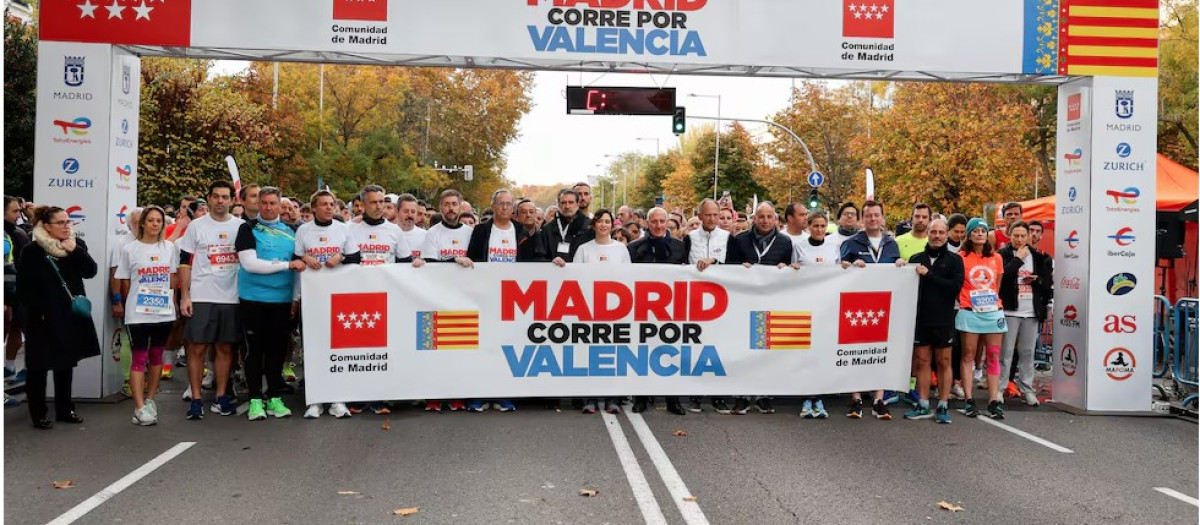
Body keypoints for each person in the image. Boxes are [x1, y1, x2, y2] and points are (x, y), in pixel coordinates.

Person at [16, 206, 100, 428]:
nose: (66, 226)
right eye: (61, 223)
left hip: (68, 315)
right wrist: (38, 311)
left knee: (65, 364)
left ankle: (65, 409)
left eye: (68, 222)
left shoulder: (75, 245)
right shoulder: (32, 251)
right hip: (41, 317)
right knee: (38, 367)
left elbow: (90, 271)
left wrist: (75, 251)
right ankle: (38, 413)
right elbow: (24, 287)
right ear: (46, 226)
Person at [234, 187, 307, 422]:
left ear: (280, 205)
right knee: (255, 350)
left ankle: (274, 396)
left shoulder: (291, 232)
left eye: (272, 203)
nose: (267, 207)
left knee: (276, 350)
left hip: (282, 301)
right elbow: (250, 264)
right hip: (253, 299)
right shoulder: (247, 229)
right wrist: (286, 266)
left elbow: (299, 270)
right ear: (257, 204)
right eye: (263, 203)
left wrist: (295, 298)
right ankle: (256, 400)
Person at [553, 209, 631, 414]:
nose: (604, 225)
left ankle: (612, 398)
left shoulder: (621, 250)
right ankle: (590, 398)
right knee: (588, 352)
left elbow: (630, 278)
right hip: (587, 309)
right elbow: (574, 278)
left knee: (613, 353)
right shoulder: (584, 249)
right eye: (600, 221)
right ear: (594, 224)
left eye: (607, 221)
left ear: (612, 225)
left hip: (615, 310)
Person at [178, 181, 245, 420]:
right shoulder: (196, 227)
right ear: (209, 199)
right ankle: (196, 399)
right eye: (215, 196)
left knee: (225, 348)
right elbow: (184, 261)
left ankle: (221, 396)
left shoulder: (241, 226)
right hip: (201, 295)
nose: (220, 201)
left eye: (224, 197)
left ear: (231, 200)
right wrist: (185, 295)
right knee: (196, 348)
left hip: (231, 296)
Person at [295, 190, 361, 419]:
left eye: (331, 204)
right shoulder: (303, 230)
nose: (328, 208)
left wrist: (340, 257)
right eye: (323, 204)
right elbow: (296, 256)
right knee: (313, 348)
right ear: (313, 208)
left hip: (339, 297)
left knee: (338, 347)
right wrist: (305, 258)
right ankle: (315, 400)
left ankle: (338, 398)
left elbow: (356, 257)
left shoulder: (344, 229)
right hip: (312, 298)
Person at [462, 189, 528, 412]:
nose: (505, 208)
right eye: (501, 204)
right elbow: (472, 257)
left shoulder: (521, 231)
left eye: (509, 204)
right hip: (485, 296)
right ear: (492, 206)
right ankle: (480, 394)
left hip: (514, 298)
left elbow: (533, 260)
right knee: (484, 345)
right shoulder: (481, 230)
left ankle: (504, 394)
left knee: (508, 347)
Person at [839, 200, 904, 420]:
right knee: (855, 350)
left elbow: (898, 268)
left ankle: (878, 398)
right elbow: (840, 268)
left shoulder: (891, 244)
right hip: (856, 304)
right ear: (862, 219)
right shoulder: (852, 242)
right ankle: (855, 397)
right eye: (868, 216)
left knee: (880, 351)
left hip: (883, 305)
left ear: (882, 218)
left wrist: (901, 266)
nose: (873, 219)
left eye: (877, 215)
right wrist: (849, 266)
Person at [727, 202, 794, 415]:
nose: (765, 220)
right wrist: (739, 268)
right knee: (743, 348)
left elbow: (791, 268)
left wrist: (786, 269)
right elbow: (728, 268)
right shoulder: (739, 239)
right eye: (761, 216)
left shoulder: (785, 242)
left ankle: (764, 395)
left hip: (770, 304)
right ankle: (742, 396)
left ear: (775, 220)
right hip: (743, 303)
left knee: (766, 350)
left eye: (769, 217)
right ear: (754, 219)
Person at [115, 206, 178, 426]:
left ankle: (150, 399)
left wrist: (171, 302)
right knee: (139, 358)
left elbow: (172, 278)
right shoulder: (129, 249)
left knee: (157, 356)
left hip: (163, 311)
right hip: (138, 314)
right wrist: (131, 301)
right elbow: (124, 280)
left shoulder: (169, 248)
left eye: (159, 221)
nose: (155, 224)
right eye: (150, 220)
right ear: (142, 223)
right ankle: (139, 406)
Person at [624, 207, 689, 415]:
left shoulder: (679, 247)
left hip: (672, 309)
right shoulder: (635, 247)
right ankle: (641, 397)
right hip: (642, 308)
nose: (659, 225)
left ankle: (673, 399)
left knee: (672, 352)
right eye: (654, 222)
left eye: (662, 221)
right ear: (647, 223)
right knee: (643, 353)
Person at [903, 219, 964, 424]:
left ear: (947, 235)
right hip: (921, 318)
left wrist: (929, 274)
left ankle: (943, 404)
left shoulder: (955, 260)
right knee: (922, 362)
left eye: (941, 232)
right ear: (927, 233)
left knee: (944, 362)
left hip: (944, 319)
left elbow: (954, 287)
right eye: (933, 232)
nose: (937, 235)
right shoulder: (916, 258)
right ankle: (922, 403)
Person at [419, 189, 474, 412]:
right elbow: (430, 263)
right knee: (434, 349)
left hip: (465, 298)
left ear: (461, 207)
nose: (451, 208)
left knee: (461, 350)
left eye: (454, 204)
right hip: (436, 298)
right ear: (441, 207)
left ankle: (457, 394)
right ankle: (433, 396)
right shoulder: (432, 233)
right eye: (446, 204)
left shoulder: (471, 232)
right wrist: (454, 259)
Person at [955, 218, 1008, 419]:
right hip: (970, 311)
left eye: (983, 231)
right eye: (975, 231)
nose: (979, 234)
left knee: (993, 355)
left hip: (993, 312)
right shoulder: (961, 257)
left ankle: (993, 400)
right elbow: (958, 284)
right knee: (968, 355)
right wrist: (966, 300)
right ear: (969, 234)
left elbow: (997, 285)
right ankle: (969, 399)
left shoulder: (996, 258)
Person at [685, 199, 733, 414]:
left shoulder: (727, 238)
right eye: (708, 215)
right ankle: (695, 395)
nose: (712, 219)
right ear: (700, 216)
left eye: (716, 215)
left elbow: (735, 266)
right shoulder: (690, 238)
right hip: (694, 301)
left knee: (720, 348)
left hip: (721, 301)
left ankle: (718, 396)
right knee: (697, 347)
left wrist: (714, 262)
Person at [997, 221, 1052, 407]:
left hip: (1031, 311)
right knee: (1006, 352)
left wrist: (1037, 280)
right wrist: (1018, 259)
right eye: (1016, 236)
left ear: (1028, 236)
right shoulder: (1002, 255)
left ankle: (1027, 389)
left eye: (1023, 236)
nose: (1020, 239)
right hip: (1010, 310)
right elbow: (1002, 278)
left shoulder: (1039, 257)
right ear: (1009, 236)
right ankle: (999, 388)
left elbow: (1047, 286)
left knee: (1027, 352)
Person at [790, 210, 839, 418]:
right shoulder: (799, 246)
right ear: (808, 226)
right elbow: (794, 273)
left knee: (822, 351)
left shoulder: (834, 246)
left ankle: (819, 397)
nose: (819, 229)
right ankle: (806, 397)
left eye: (822, 226)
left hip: (827, 306)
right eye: (815, 226)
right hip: (806, 306)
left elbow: (839, 273)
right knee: (807, 352)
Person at [4, 196, 31, 390]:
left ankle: (13, 367)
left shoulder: (19, 233)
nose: (18, 215)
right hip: (10, 294)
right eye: (14, 211)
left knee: (22, 329)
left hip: (17, 293)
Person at [542, 189, 589, 261]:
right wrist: (551, 262)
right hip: (554, 270)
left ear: (577, 204)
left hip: (580, 271)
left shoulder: (588, 226)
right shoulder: (547, 229)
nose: (567, 206)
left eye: (571, 202)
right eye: (563, 203)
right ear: (558, 205)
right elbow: (540, 256)